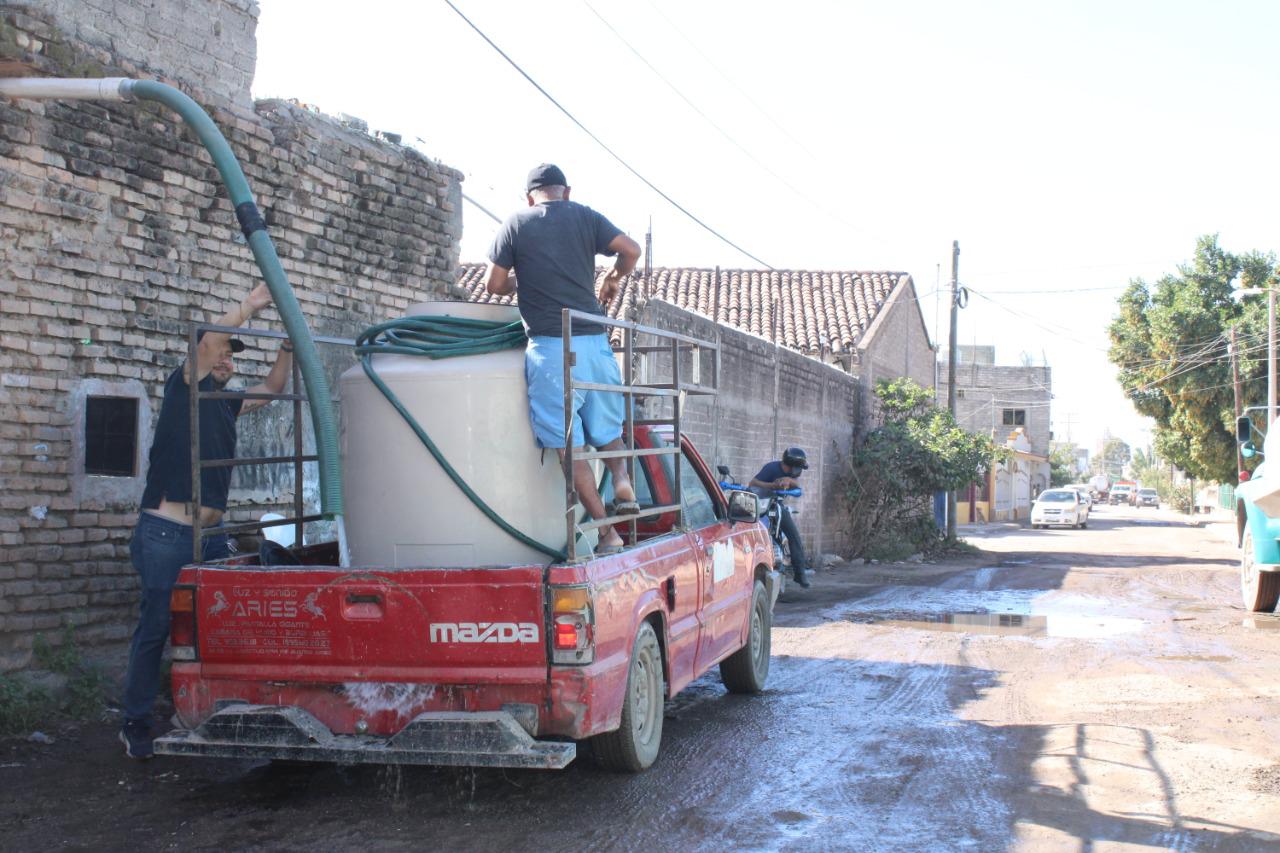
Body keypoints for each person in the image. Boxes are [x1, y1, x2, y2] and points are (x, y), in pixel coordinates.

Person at [119, 282, 293, 759]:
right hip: (167, 531)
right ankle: (135, 722)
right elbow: (209, 338)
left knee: (218, 622)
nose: (225, 361)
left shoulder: (225, 401)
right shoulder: (185, 388)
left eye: (231, 357)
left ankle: (206, 709)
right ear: (203, 356)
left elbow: (273, 389)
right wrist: (250, 306)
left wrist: (286, 349)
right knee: (155, 626)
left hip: (210, 535)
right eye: (221, 353)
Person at [485, 163, 643, 553]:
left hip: (552, 349)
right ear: (566, 192)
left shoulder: (516, 223)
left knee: (568, 448)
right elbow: (631, 251)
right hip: (595, 343)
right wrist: (612, 278)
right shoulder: (585, 216)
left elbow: (494, 284)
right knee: (609, 430)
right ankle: (622, 480)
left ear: (529, 198)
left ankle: (608, 534)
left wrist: (524, 277)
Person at [750, 447, 811, 588]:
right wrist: (772, 485)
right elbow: (752, 483)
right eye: (799, 468)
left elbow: (797, 485)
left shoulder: (790, 474)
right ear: (792, 466)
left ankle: (800, 574)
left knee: (794, 536)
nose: (799, 471)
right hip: (761, 506)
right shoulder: (771, 468)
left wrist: (789, 480)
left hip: (777, 506)